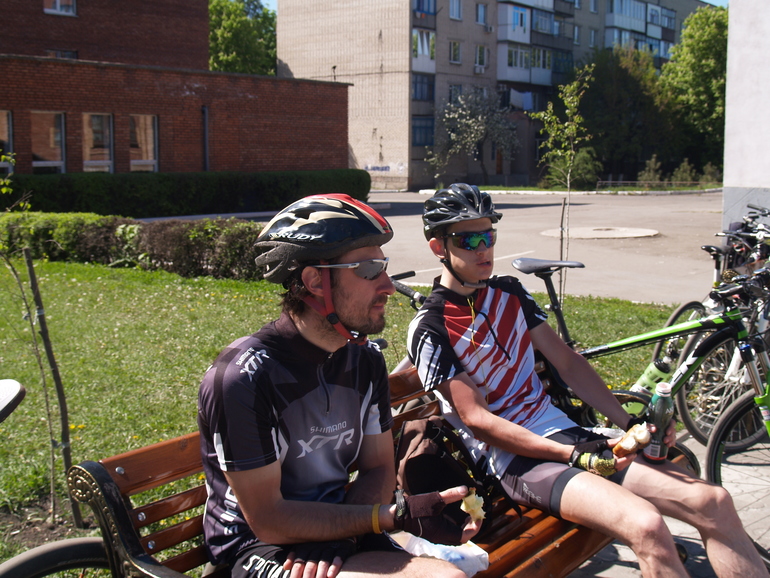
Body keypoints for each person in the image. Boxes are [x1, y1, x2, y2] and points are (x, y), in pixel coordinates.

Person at [407, 183, 767, 577]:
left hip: (565, 434)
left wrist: (631, 422)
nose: (483, 248)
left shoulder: (509, 293)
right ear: (438, 247)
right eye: (469, 239)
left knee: (713, 502)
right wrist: (572, 455)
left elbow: (568, 363)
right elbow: (478, 421)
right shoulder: (430, 327)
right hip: (513, 460)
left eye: (489, 235)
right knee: (646, 525)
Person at [198, 194, 479, 578]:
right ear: (315, 281)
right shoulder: (243, 378)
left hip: (340, 528)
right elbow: (267, 518)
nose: (388, 286)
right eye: (369, 269)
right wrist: (392, 516)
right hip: (256, 545)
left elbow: (379, 469)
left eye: (384, 266)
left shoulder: (365, 360)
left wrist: (346, 532)